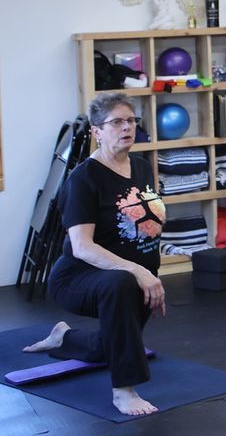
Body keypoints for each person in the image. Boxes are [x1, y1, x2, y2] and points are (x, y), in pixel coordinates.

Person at [26, 93, 167, 416]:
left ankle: (65, 337)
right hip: (79, 278)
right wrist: (140, 272)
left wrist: (148, 272)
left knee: (113, 343)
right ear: (96, 132)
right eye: (116, 122)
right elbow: (82, 247)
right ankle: (124, 390)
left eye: (131, 121)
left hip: (130, 276)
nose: (126, 127)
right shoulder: (84, 179)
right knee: (119, 289)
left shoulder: (142, 168)